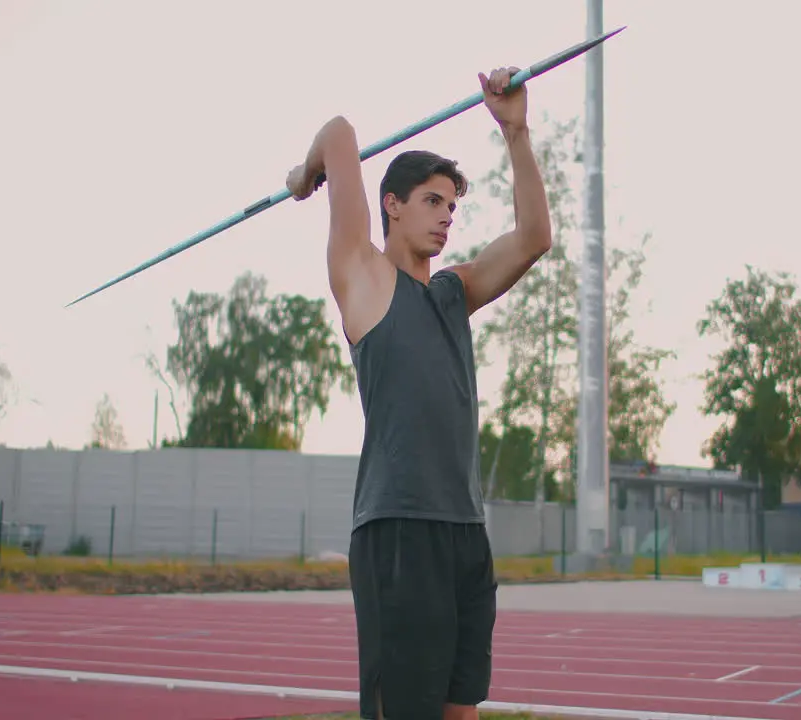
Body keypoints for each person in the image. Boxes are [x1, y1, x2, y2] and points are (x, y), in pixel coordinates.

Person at [285, 65, 552, 720]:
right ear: (392, 205)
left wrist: (515, 131)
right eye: (433, 201)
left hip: (465, 531)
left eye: (453, 207)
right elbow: (341, 131)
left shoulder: (453, 293)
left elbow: (534, 238)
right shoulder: (363, 277)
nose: (447, 218)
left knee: (461, 711)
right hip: (398, 530)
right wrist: (304, 176)